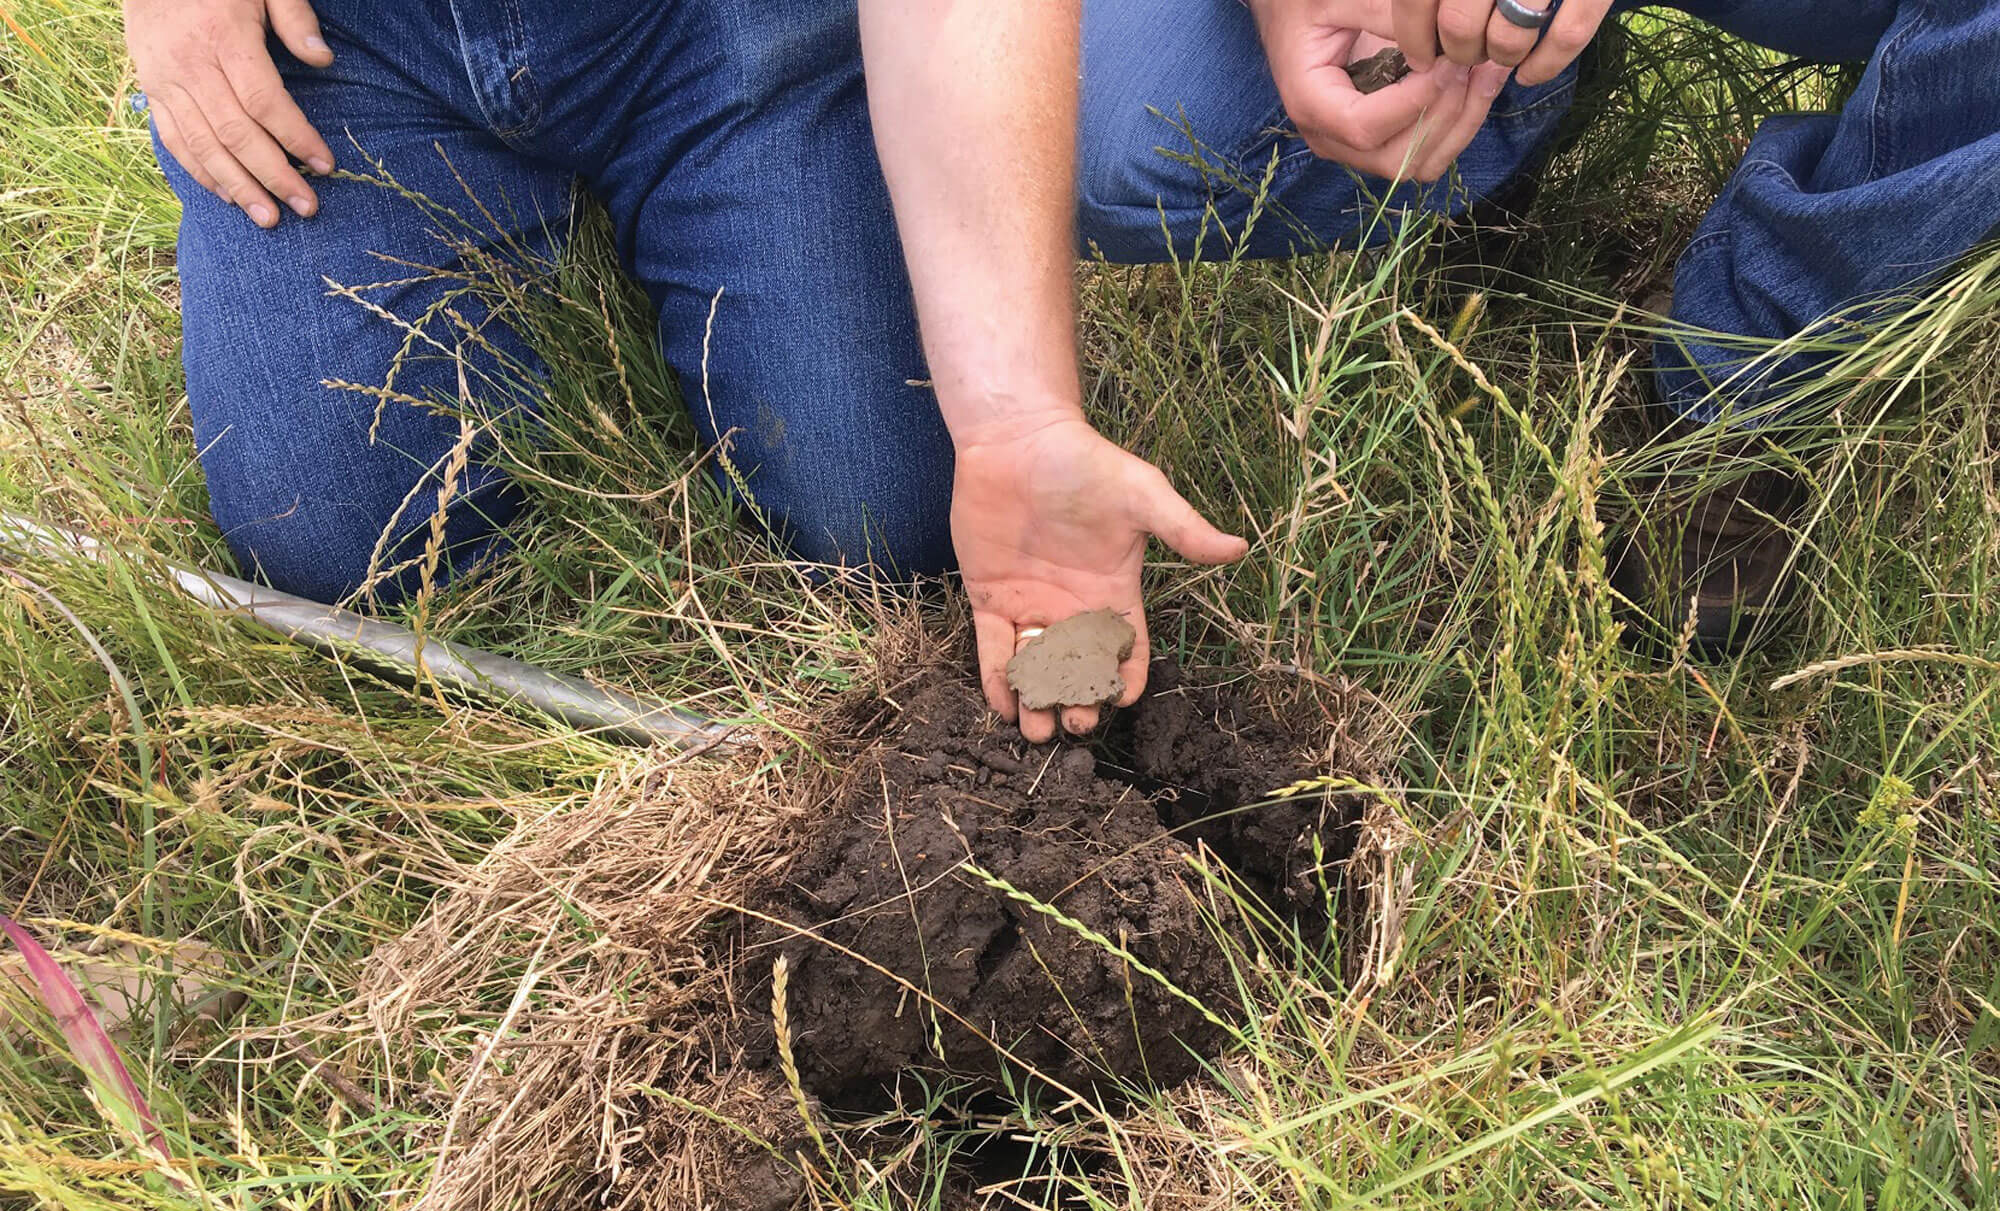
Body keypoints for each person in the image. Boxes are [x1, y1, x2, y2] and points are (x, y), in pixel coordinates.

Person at [127, 0, 1998, 741]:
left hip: (711, 29)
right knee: (331, 530)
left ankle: (1699, 390)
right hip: (346, 44)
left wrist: (1013, 420)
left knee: (866, 496)